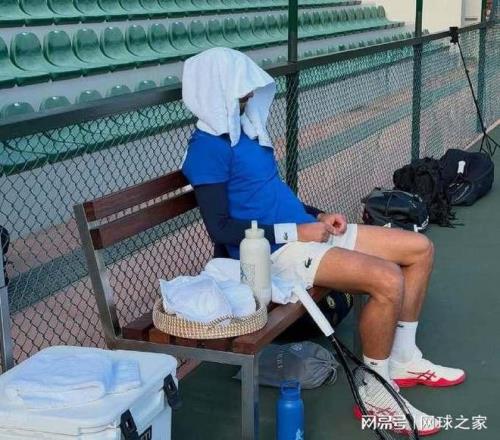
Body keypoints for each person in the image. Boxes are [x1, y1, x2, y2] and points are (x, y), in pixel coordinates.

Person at [181, 47, 465, 436]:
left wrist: (316, 216)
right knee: (387, 279)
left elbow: (274, 194)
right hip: (273, 253)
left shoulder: (246, 131)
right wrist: (295, 233)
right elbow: (221, 229)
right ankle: (375, 393)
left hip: (303, 233)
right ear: (214, 90)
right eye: (239, 89)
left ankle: (403, 358)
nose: (247, 95)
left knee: (419, 250)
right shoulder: (207, 148)